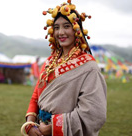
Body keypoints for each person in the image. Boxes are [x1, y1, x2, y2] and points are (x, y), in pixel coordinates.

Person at [21, 1, 107, 136]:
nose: (60, 32)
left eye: (66, 26)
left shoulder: (89, 67)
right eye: (56, 27)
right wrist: (30, 124)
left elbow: (94, 113)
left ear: (77, 29)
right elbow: (36, 96)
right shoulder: (49, 62)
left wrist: (53, 128)